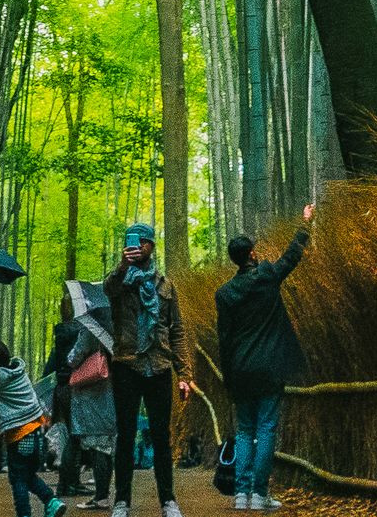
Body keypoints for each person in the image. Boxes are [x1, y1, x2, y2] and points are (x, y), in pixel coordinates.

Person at [213, 205, 314, 512]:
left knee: (245, 429)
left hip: (241, 368)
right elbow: (291, 257)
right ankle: (259, 494)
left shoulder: (225, 293)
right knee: (266, 428)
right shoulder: (267, 276)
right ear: (252, 253)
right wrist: (305, 225)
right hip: (270, 366)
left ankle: (241, 495)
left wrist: (228, 377)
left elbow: (224, 338)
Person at [95, 221, 188, 517]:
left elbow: (177, 330)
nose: (137, 247)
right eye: (132, 242)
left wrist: (184, 374)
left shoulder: (165, 285)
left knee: (161, 437)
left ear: (151, 246)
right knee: (125, 435)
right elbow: (108, 289)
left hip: (159, 365)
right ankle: (122, 501)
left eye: (142, 242)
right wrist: (123, 265)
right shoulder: (120, 281)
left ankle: (168, 500)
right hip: (127, 364)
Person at [0, 318, 61, 517]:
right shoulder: (19, 372)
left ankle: (24, 513)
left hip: (19, 437)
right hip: (36, 433)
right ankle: (51, 501)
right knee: (27, 475)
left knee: (17, 479)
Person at [49, 283, 115, 508]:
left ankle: (100, 496)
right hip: (109, 390)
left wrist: (70, 360)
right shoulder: (117, 326)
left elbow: (75, 356)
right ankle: (103, 494)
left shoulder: (91, 328)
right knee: (105, 444)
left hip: (90, 392)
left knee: (96, 445)